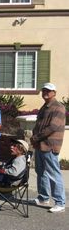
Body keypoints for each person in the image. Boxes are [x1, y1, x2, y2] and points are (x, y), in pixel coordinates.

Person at [30, 82, 66, 213]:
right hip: (40, 145)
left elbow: (52, 127)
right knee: (41, 172)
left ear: (54, 93)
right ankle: (43, 197)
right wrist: (35, 137)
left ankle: (60, 202)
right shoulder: (44, 107)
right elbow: (38, 125)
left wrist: (36, 137)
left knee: (53, 174)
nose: (45, 93)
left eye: (48, 91)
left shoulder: (58, 107)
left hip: (50, 145)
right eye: (44, 91)